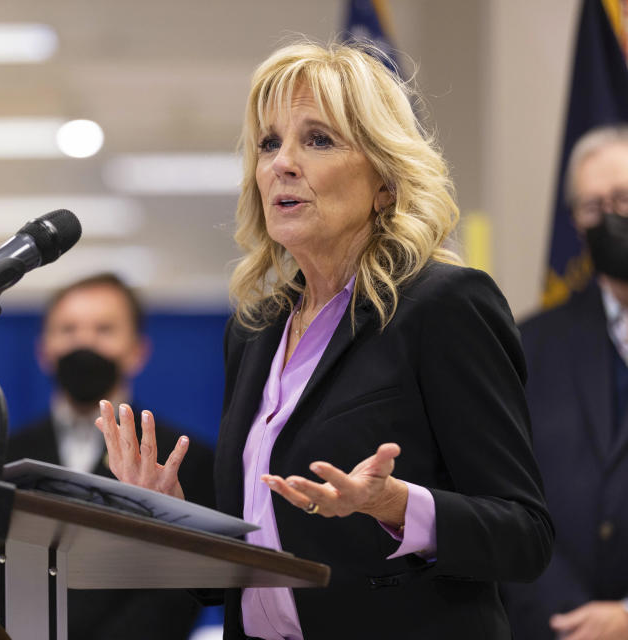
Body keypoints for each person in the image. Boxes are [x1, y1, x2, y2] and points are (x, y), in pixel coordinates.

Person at [95, 40, 554, 639]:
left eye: (317, 140)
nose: (282, 162)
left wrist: (395, 506)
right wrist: (170, 516)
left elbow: (525, 536)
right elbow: (241, 576)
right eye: (269, 143)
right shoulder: (255, 331)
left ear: (385, 180)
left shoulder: (443, 307)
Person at [0, 272, 216, 640]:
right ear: (43, 349)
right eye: (68, 329)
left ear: (138, 351)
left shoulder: (185, 459)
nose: (84, 342)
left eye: (104, 329)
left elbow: (181, 589)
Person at [500, 125, 628, 640]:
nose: (609, 218)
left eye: (622, 198)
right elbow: (504, 493)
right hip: (550, 626)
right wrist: (568, 617)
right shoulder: (527, 344)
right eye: (593, 208)